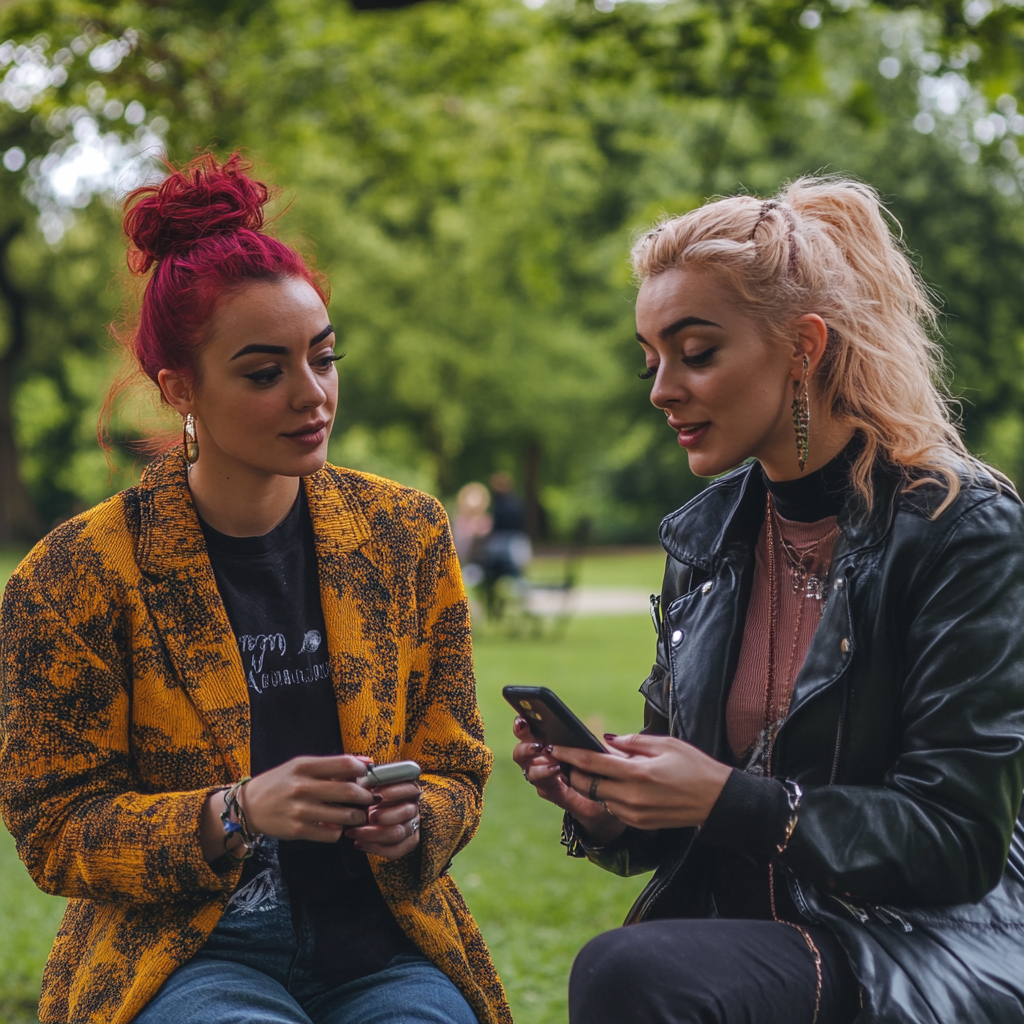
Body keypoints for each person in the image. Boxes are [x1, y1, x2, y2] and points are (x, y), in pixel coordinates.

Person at [0, 154, 510, 1024]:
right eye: (265, 371)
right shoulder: (75, 576)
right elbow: (56, 829)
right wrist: (232, 813)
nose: (312, 395)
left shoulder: (404, 537)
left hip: (381, 944)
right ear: (180, 389)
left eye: (323, 356)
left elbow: (456, 762)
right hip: (185, 952)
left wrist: (416, 819)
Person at [514, 177, 1024, 1024]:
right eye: (653, 360)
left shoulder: (957, 528)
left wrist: (730, 800)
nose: (662, 390)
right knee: (639, 970)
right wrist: (610, 807)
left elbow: (957, 839)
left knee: (629, 973)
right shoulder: (707, 540)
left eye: (697, 353)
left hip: (919, 939)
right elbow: (695, 799)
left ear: (803, 347)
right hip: (748, 927)